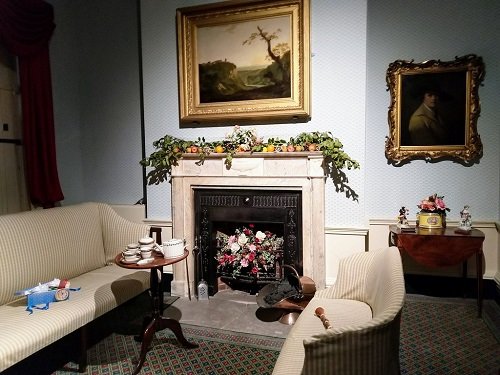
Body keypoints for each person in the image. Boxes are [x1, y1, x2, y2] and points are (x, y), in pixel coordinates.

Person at [408, 81, 449, 146]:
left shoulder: (437, 114)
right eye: (430, 95)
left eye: (436, 95)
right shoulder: (417, 119)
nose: (434, 98)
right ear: (423, 97)